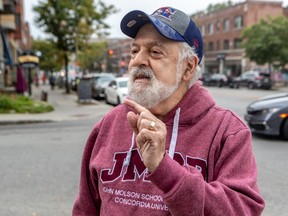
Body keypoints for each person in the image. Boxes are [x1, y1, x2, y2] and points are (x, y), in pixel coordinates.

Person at [72, 6, 265, 215]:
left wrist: (165, 170)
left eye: (155, 52)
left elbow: (242, 210)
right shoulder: (108, 125)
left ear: (188, 67)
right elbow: (85, 207)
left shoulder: (227, 132)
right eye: (135, 51)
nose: (137, 60)